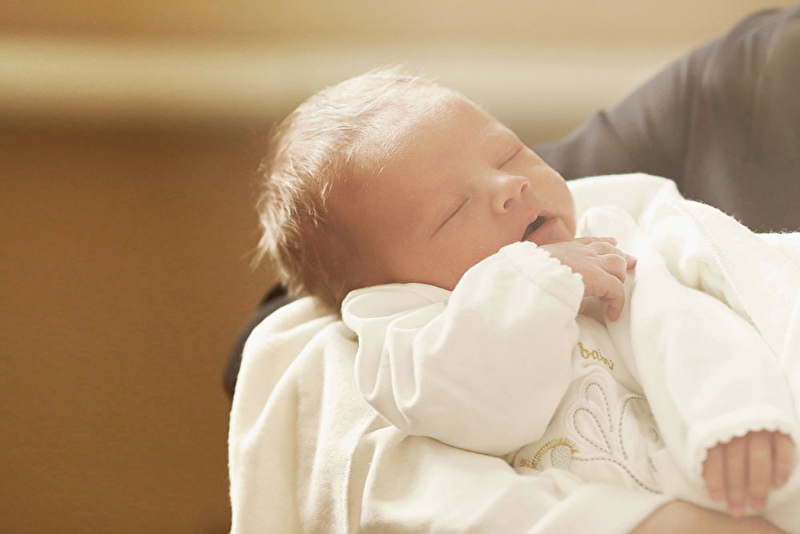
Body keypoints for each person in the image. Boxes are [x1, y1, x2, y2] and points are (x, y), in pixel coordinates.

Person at [251, 66, 800, 532]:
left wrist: (736, 412)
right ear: (393, 287)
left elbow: (687, 321)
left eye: (509, 154)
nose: (508, 186)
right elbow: (486, 409)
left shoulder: (612, 231)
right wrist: (533, 282)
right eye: (453, 211)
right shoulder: (408, 333)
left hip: (731, 462)